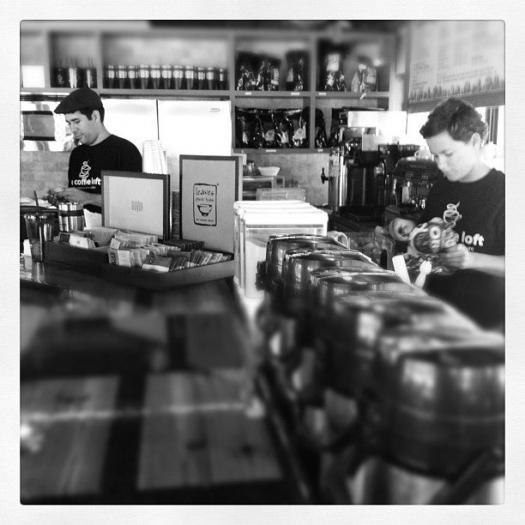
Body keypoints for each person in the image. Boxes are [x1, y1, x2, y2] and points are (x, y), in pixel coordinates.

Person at [390, 97, 504, 330]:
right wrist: (409, 230)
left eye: (448, 154)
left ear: (475, 142)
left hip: (480, 327)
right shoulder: (441, 188)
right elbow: (427, 238)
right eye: (435, 155)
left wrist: (472, 260)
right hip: (432, 316)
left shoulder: (505, 193)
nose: (440, 164)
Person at [53, 88, 142, 213]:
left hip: (115, 226)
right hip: (81, 226)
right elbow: (77, 201)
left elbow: (135, 203)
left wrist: (88, 198)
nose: (72, 129)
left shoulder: (125, 151)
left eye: (76, 121)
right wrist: (64, 197)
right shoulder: (77, 154)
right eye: (69, 123)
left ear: (95, 116)